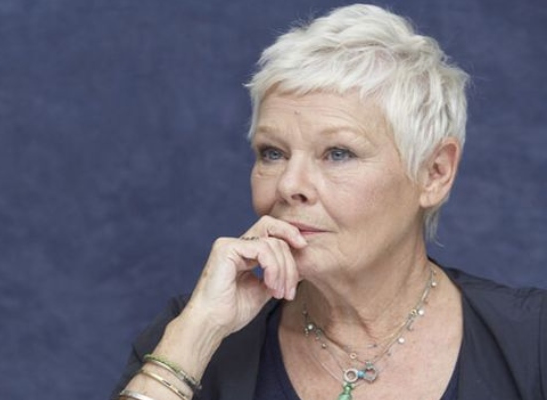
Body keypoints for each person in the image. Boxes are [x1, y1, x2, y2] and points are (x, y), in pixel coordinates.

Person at [111, 4, 547, 400]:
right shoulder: (190, 333)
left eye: (338, 153)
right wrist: (197, 334)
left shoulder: (533, 342)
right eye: (272, 153)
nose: (289, 185)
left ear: (434, 173)